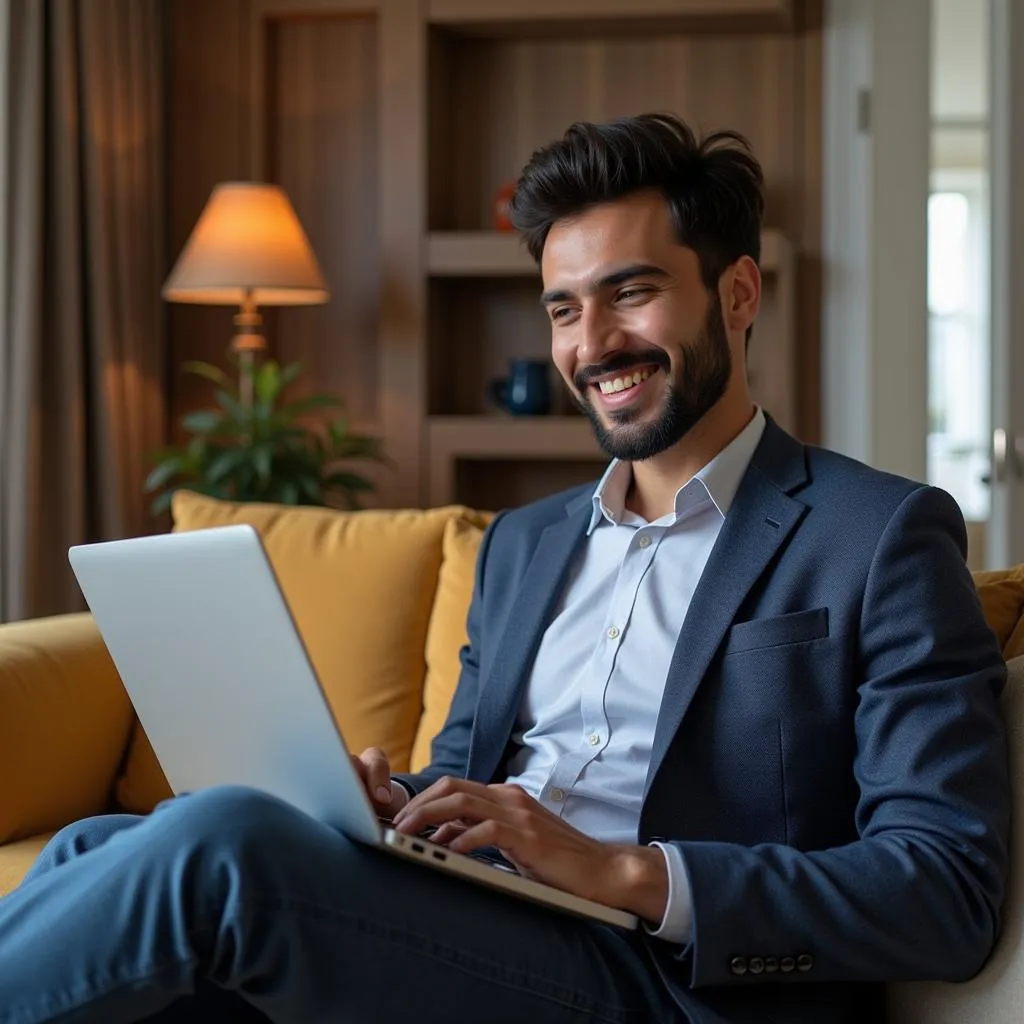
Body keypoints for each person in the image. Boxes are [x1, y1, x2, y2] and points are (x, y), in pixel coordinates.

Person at [0, 113, 1010, 1024]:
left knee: (220, 848)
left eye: (632, 292)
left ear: (737, 292)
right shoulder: (525, 544)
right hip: (492, 931)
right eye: (563, 309)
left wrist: (618, 869)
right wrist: (392, 803)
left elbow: (943, 890)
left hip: (667, 982)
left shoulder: (878, 534)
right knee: (100, 844)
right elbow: (465, 781)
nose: (593, 342)